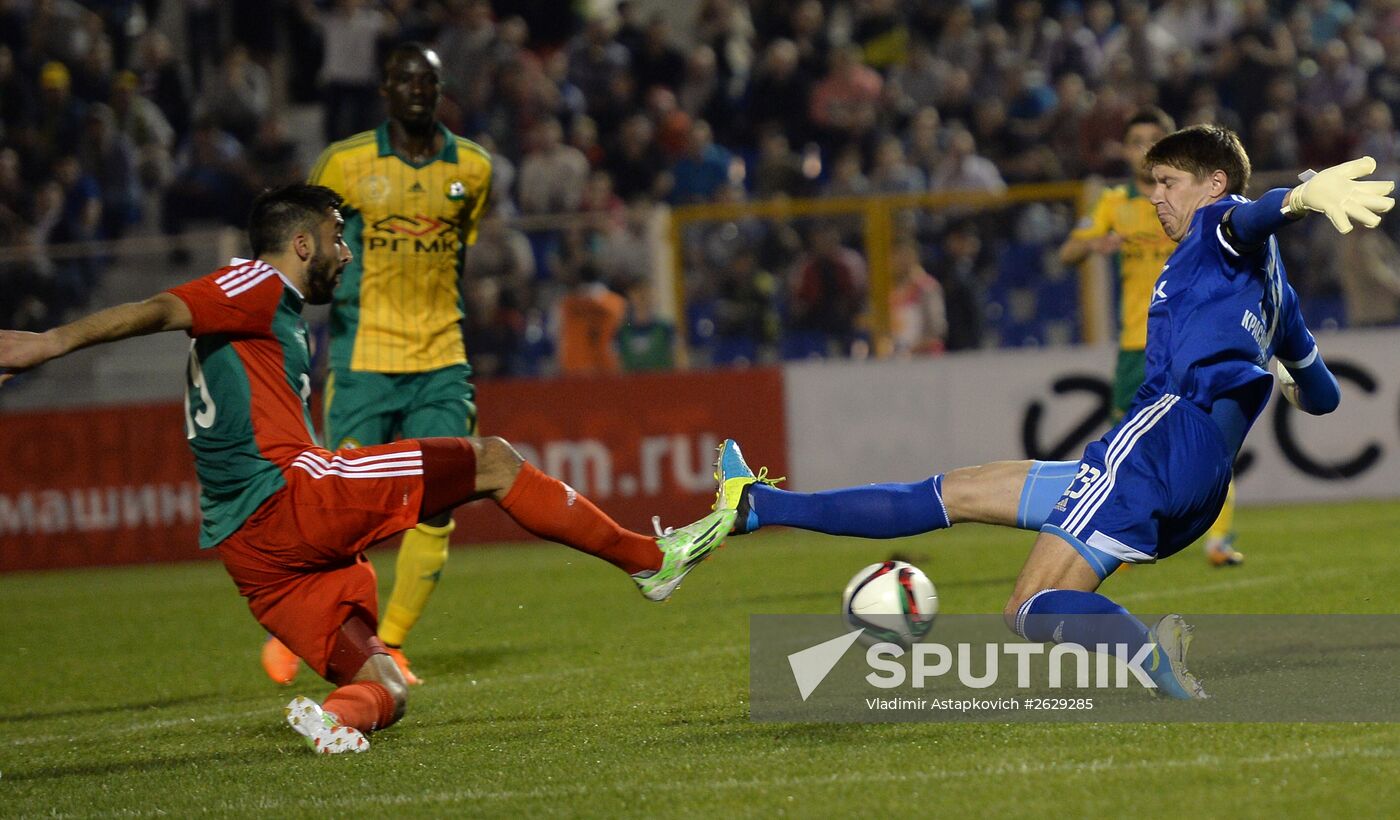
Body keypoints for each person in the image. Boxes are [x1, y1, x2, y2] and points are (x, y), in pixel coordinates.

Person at [0, 184, 735, 754]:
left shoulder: (273, 317)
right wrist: (44, 343)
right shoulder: (253, 284)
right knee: (493, 460)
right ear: (300, 241)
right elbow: (160, 308)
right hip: (288, 500)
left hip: (255, 555)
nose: (346, 254)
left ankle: (332, 721)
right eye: (337, 239)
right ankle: (649, 560)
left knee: (384, 685)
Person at [711, 129, 1391, 699]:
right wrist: (1281, 369)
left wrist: (1299, 198)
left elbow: (1253, 213)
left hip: (1158, 444)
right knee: (957, 492)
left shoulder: (1221, 224)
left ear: (1214, 183)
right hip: (1194, 473)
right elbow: (1325, 397)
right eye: (1151, 183)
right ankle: (760, 507)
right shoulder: (1280, 295)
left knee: (1028, 610)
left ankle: (1154, 659)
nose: (1155, 197)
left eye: (1167, 182)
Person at [263, 43, 483, 688]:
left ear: (440, 89)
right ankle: (301, 625)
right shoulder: (346, 162)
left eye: (427, 79)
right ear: (383, 90)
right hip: (365, 359)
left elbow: (459, 247)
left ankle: (389, 642)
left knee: (441, 501)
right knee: (342, 509)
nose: (415, 88)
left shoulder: (473, 167)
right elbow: (306, 242)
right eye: (402, 79)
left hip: (442, 355)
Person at [1058, 107, 1244, 568]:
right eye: (1135, 139)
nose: (1143, 146)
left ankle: (1217, 541)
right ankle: (1116, 535)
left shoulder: (1192, 198)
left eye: (1154, 138)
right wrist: (1092, 245)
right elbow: (1068, 252)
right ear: (1122, 149)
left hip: (1189, 339)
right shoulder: (1114, 203)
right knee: (1126, 449)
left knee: (1210, 439)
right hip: (1136, 345)